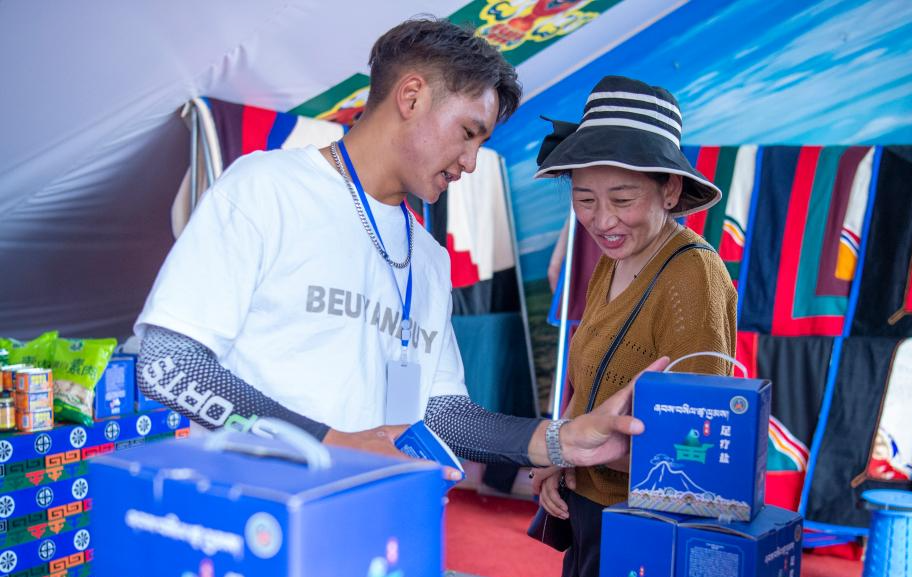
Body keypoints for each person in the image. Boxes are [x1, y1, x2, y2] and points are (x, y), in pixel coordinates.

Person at [134, 19, 660, 477]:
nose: (471, 161)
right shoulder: (266, 188)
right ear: (411, 97)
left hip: (373, 515)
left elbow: (443, 414)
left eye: (481, 144)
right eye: (468, 132)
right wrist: (326, 442)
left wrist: (563, 440)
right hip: (252, 518)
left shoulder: (428, 257)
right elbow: (168, 365)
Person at [530, 75, 738, 577]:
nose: (602, 220)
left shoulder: (692, 278)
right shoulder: (610, 260)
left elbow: (696, 446)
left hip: (645, 530)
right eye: (584, 199)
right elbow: (589, 382)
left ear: (670, 190)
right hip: (587, 511)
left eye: (622, 199)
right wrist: (560, 450)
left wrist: (578, 453)